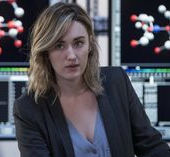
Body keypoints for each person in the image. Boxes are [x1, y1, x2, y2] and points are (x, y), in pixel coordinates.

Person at [13, 2, 170, 157]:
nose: (72, 56)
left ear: (89, 45)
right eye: (59, 46)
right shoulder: (28, 109)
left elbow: (152, 147)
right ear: (46, 52)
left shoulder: (116, 82)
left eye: (78, 43)